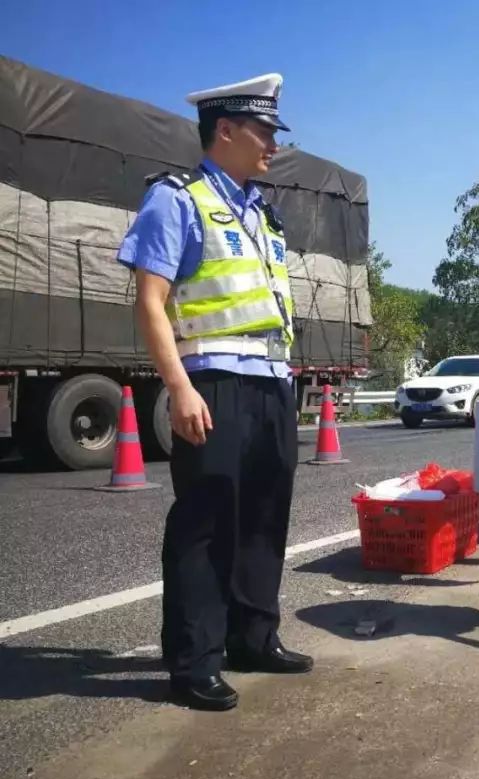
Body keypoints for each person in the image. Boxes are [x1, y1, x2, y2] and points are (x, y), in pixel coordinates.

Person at [118, 73, 311, 711]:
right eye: (264, 132)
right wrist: (178, 386)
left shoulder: (262, 212)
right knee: (205, 521)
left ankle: (255, 637)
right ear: (224, 130)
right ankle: (194, 660)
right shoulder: (178, 200)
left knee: (263, 516)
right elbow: (152, 303)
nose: (273, 146)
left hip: (271, 381)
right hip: (211, 380)